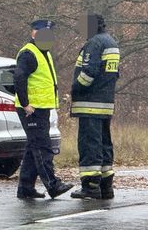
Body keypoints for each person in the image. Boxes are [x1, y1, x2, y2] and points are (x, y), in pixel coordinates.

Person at [14, 19, 73, 199]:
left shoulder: (43, 52)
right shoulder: (29, 54)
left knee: (33, 148)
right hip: (32, 109)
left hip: (41, 108)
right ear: (34, 33)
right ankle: (52, 185)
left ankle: (25, 188)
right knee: (42, 148)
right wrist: (25, 104)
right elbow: (19, 78)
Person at [70, 14, 120, 199]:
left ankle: (90, 187)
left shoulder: (94, 43)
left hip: (89, 103)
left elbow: (88, 72)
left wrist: (75, 89)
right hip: (106, 103)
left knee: (89, 145)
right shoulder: (111, 42)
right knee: (104, 144)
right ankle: (106, 187)